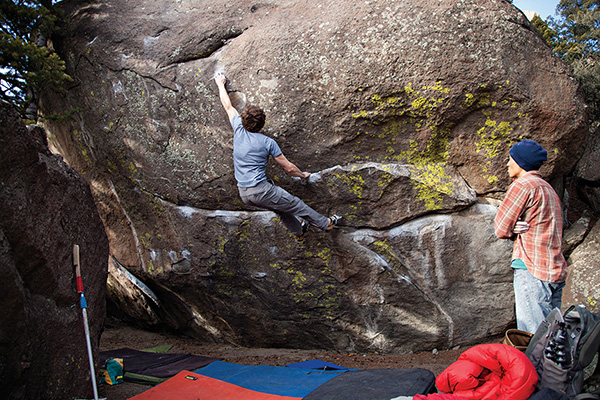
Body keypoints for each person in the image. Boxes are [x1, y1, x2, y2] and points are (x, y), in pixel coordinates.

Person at [214, 72, 341, 240]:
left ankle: (299, 231)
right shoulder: (267, 142)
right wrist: (303, 175)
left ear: (243, 120)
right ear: (262, 125)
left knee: (280, 207)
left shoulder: (238, 129)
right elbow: (288, 168)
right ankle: (326, 223)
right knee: (296, 204)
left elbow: (228, 106)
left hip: (244, 193)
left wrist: (220, 84)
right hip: (260, 190)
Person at [494, 139, 567, 334]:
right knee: (551, 337)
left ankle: (534, 367)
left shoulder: (523, 186)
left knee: (533, 337)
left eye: (511, 159)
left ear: (521, 162)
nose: (507, 164)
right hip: (553, 271)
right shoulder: (548, 189)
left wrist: (511, 228)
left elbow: (500, 228)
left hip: (532, 269)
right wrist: (515, 227)